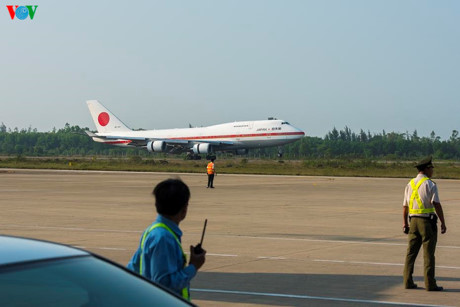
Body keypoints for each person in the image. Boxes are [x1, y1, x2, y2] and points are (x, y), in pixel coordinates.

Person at [127, 179, 206, 300]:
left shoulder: (153, 231)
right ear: (184, 209)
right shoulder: (163, 238)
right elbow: (163, 284)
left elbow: (133, 268)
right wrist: (193, 267)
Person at [402, 156, 446, 291]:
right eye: (431, 168)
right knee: (428, 254)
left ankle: (407, 281)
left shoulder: (410, 184)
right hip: (427, 222)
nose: (432, 170)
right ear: (427, 169)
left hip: (413, 221)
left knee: (411, 253)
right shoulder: (430, 184)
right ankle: (430, 283)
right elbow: (436, 204)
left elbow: (405, 206)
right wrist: (443, 222)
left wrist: (405, 224)